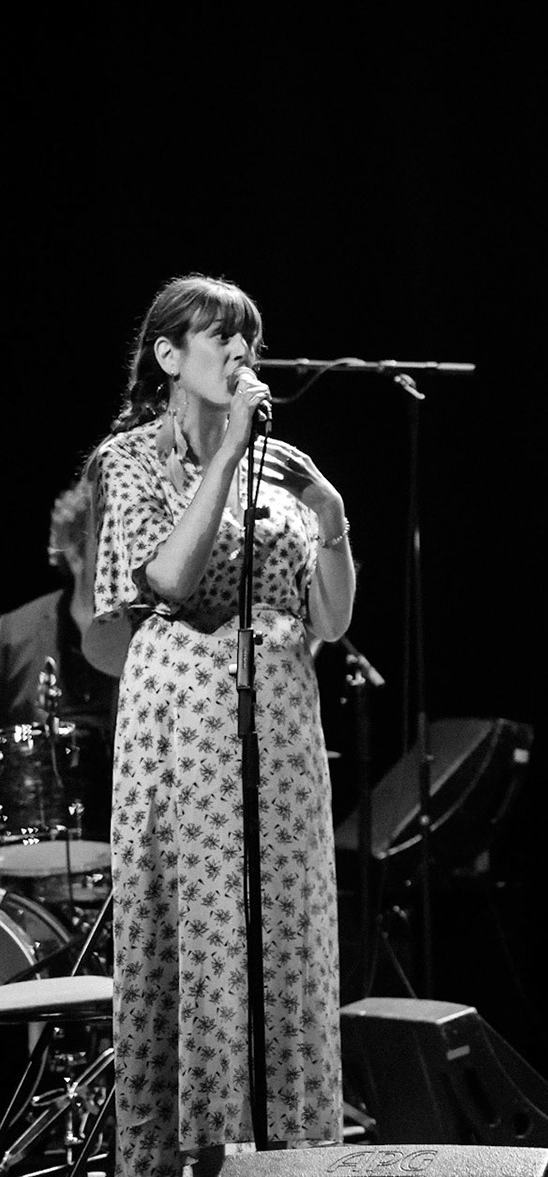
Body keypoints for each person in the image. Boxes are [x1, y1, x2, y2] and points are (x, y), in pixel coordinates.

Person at [89, 274, 355, 1175]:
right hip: (185, 725)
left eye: (252, 340)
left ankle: (292, 1150)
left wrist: (333, 522)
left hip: (281, 729)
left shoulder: (279, 468)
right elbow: (167, 582)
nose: (244, 355)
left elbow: (328, 619)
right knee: (201, 934)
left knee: (285, 939)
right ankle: (194, 1154)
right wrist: (226, 454)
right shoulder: (128, 462)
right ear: (169, 357)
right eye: (222, 339)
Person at [0, 483, 120, 852]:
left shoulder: (155, 638)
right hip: (34, 851)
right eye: (113, 544)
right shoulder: (12, 635)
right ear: (75, 550)